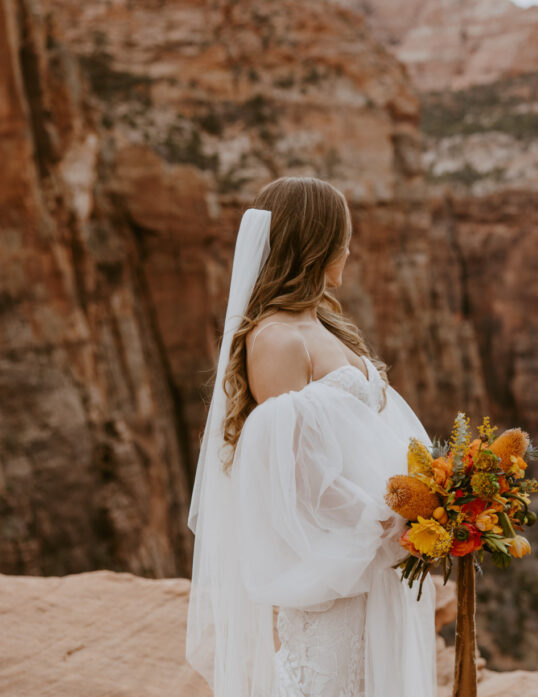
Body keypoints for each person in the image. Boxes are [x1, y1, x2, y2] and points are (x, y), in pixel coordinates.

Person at [185, 177, 437, 697]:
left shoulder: (323, 327)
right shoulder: (276, 339)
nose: (349, 246)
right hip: (336, 575)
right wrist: (393, 521)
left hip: (374, 564)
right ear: (316, 242)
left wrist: (436, 499)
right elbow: (295, 476)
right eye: (343, 235)